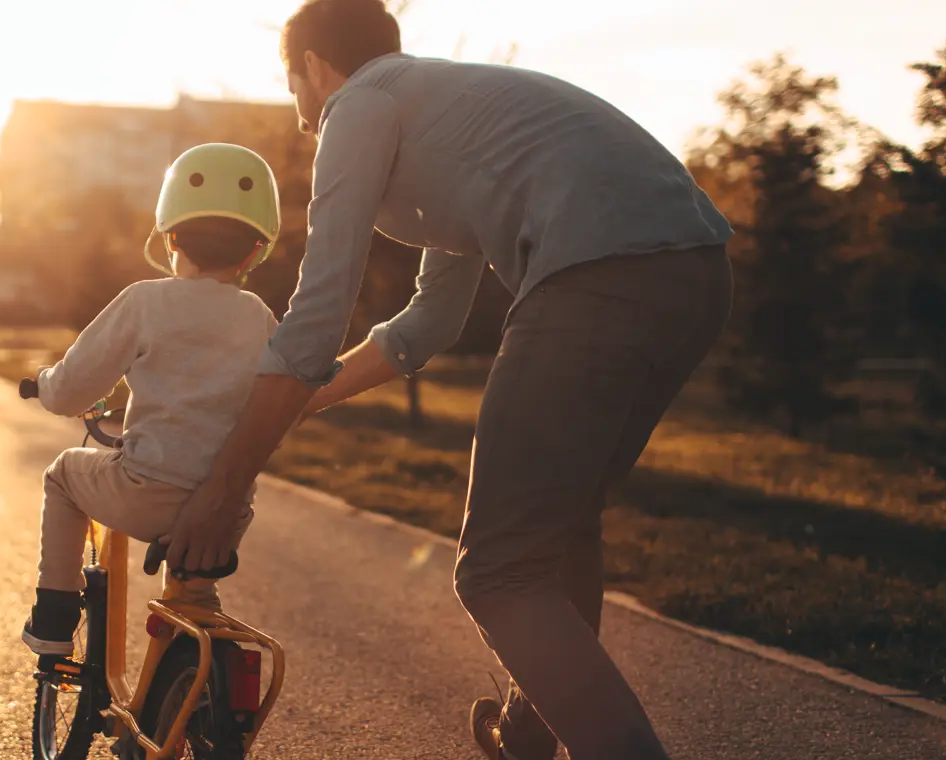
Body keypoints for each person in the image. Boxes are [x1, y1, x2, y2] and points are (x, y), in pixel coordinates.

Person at [159, 1, 736, 758]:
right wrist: (302, 402)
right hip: (697, 273)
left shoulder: (357, 104)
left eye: (291, 83)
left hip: (594, 277)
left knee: (496, 572)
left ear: (315, 67)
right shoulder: (450, 111)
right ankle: (530, 733)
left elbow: (317, 313)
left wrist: (223, 486)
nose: (299, 113)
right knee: (561, 528)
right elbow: (429, 323)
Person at [20, 143, 284, 667]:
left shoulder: (146, 301)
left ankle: (54, 617)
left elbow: (71, 390)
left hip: (146, 496)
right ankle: (188, 671)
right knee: (194, 597)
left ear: (171, 237)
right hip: (227, 513)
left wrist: (46, 386)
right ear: (255, 251)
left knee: (64, 475)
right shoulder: (259, 315)